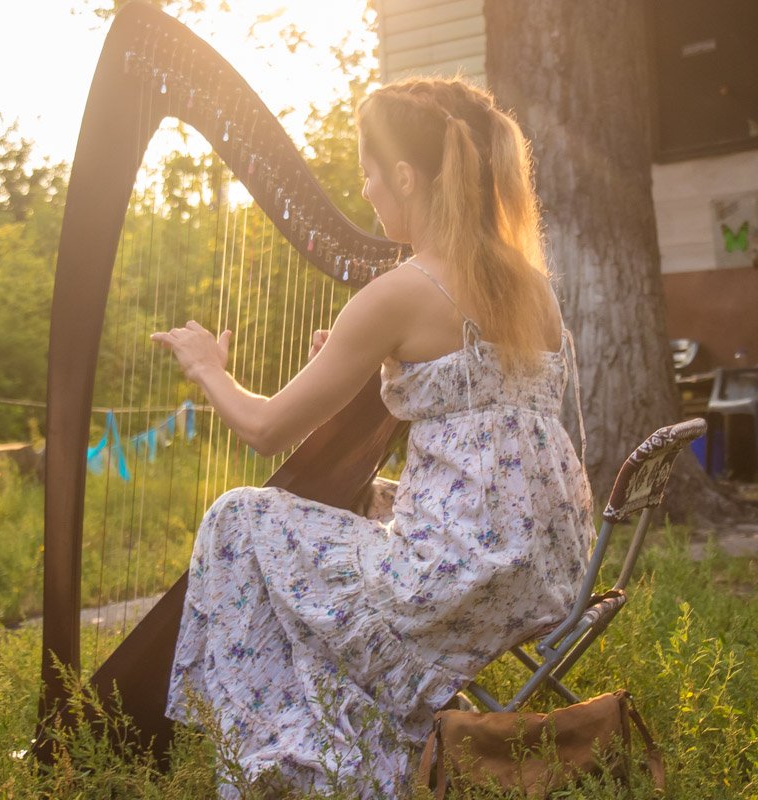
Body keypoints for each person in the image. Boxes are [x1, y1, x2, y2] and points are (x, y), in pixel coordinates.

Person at [150, 77, 594, 798]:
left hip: (457, 575)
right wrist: (364, 354)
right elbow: (478, 401)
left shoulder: (402, 291)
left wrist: (209, 370)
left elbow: (264, 430)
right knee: (355, 506)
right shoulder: (528, 281)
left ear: (408, 177)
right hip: (543, 563)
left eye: (368, 175)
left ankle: (285, 759)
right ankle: (333, 731)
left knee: (239, 520)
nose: (364, 194)